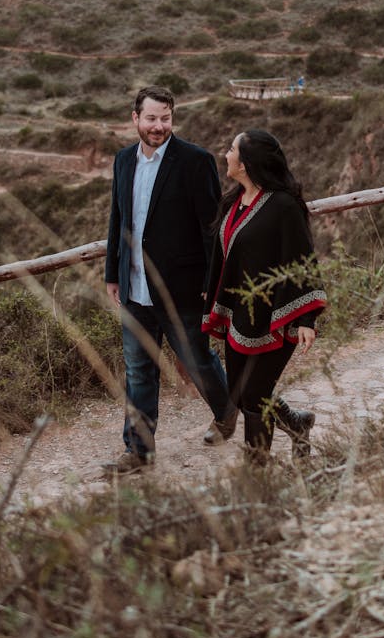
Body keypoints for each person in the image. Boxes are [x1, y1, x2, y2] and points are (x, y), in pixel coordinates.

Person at [103, 85, 238, 475]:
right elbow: (119, 219)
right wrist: (113, 273)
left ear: (172, 119)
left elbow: (210, 229)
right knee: (138, 369)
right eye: (151, 119)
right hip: (133, 287)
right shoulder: (123, 160)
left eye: (165, 119)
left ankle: (226, 409)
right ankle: (139, 452)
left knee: (197, 360)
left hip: (182, 289)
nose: (158, 126)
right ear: (135, 119)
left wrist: (211, 286)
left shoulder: (194, 161)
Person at [202, 129, 326, 463]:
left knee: (255, 396)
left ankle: (256, 476)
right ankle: (297, 424)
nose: (225, 154)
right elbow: (224, 253)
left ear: (246, 163)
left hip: (276, 316)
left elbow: (303, 261)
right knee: (240, 395)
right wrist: (209, 290)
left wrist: (307, 318)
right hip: (240, 315)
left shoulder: (283, 207)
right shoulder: (234, 200)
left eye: (231, 150)